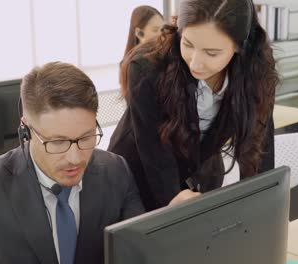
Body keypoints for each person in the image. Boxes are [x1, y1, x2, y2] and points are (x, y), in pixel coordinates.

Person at [0, 62, 144, 264]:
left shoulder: (116, 171)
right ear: (26, 130)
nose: (75, 158)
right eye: (58, 142)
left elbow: (139, 253)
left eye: (86, 138)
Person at [109, 0, 279, 211]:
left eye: (212, 52)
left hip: (199, 172)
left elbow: (259, 144)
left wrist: (261, 202)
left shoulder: (256, 71)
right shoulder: (148, 68)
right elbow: (154, 150)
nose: (196, 63)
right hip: (139, 171)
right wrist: (173, 197)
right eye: (187, 44)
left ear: (239, 45)